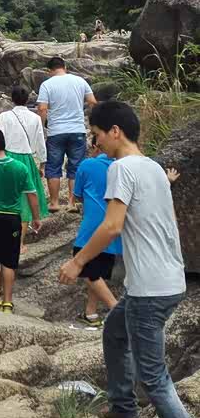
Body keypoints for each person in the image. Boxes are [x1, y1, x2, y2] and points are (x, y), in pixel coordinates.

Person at [59, 101, 200, 418]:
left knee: (156, 380)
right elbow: (168, 223)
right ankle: (123, 407)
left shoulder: (121, 168)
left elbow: (112, 225)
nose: (95, 140)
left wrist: (78, 262)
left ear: (115, 131)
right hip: (169, 282)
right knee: (114, 332)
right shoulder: (154, 168)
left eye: (97, 133)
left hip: (150, 289)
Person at [0, 127, 40, 313]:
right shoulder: (20, 167)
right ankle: (8, 301)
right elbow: (32, 194)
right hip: (12, 219)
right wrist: (36, 217)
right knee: (9, 261)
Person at [70, 134, 121, 327]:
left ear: (96, 146)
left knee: (87, 270)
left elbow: (78, 195)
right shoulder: (123, 167)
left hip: (91, 230)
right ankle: (90, 313)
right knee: (96, 274)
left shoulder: (87, 165)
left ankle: (116, 310)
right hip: (114, 232)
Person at [37, 57, 97, 211]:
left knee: (53, 166)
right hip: (77, 129)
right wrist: (92, 124)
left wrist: (42, 127)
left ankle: (55, 203)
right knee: (76, 166)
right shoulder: (80, 81)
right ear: (64, 66)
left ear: (49, 70)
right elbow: (92, 102)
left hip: (56, 132)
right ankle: (72, 203)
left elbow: (42, 108)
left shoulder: (47, 84)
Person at [0, 85, 48, 252]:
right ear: (27, 100)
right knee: (25, 201)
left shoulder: (4, 116)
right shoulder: (34, 118)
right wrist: (42, 163)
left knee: (6, 198)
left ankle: (4, 239)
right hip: (26, 159)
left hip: (7, 158)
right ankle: (19, 243)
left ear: (12, 99)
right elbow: (41, 141)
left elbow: (0, 138)